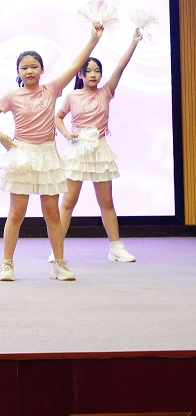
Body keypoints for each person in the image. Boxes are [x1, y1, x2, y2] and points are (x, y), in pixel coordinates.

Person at [0, 24, 104, 282]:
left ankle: (59, 264)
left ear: (42, 69)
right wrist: (3, 139)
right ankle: (7, 264)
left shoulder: (52, 89)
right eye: (24, 67)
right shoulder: (13, 95)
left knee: (52, 213)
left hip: (48, 154)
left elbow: (76, 64)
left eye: (34, 66)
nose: (29, 71)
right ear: (18, 72)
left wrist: (93, 39)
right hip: (22, 155)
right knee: (17, 213)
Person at [55, 28, 142, 262]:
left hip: (100, 150)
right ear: (80, 74)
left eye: (97, 71)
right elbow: (58, 117)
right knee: (68, 202)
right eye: (88, 71)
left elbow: (120, 67)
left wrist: (133, 43)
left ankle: (116, 248)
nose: (93, 75)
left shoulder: (106, 92)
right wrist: (68, 135)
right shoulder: (72, 96)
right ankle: (57, 248)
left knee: (106, 202)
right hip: (78, 151)